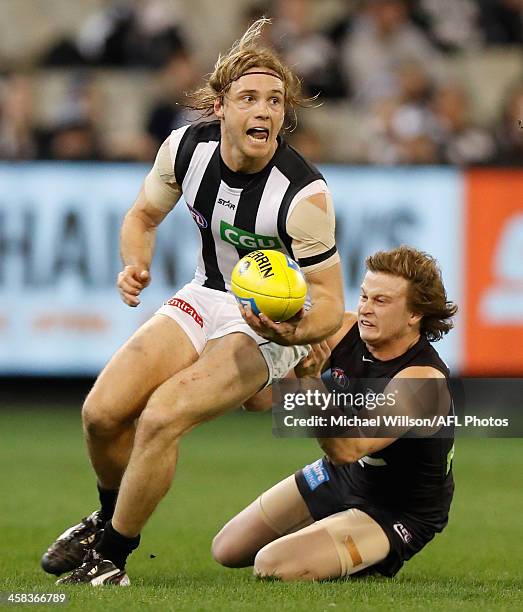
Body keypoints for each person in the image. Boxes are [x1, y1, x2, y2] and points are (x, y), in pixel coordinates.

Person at [40, 18, 344, 586]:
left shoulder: (303, 194)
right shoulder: (187, 147)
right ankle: (107, 518)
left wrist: (294, 335)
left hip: (266, 326)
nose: (264, 111)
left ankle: (110, 558)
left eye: (275, 101)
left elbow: (329, 302)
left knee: (161, 417)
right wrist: (135, 262)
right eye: (249, 98)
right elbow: (142, 216)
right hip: (205, 294)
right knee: (101, 415)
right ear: (220, 106)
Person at [213, 245, 457, 580]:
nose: (366, 309)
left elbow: (346, 448)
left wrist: (311, 380)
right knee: (226, 549)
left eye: (381, 301)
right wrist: (269, 337)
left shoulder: (422, 382)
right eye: (365, 296)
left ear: (415, 315)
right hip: (343, 476)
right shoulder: (345, 331)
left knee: (272, 566)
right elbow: (258, 401)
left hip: (396, 509)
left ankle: (369, 559)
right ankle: (334, 538)